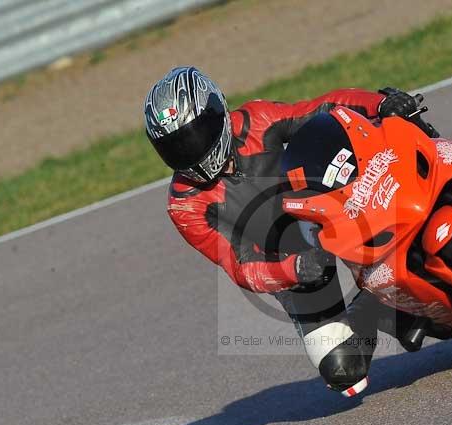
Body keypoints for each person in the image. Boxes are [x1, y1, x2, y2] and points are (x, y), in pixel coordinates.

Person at [145, 66, 426, 397]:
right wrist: (295, 269)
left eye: (196, 134)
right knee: (343, 370)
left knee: (401, 153)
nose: (192, 152)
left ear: (217, 111)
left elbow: (323, 109)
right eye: (177, 147)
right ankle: (374, 307)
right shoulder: (185, 206)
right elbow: (241, 267)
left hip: (330, 209)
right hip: (290, 262)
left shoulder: (256, 120)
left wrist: (378, 105)